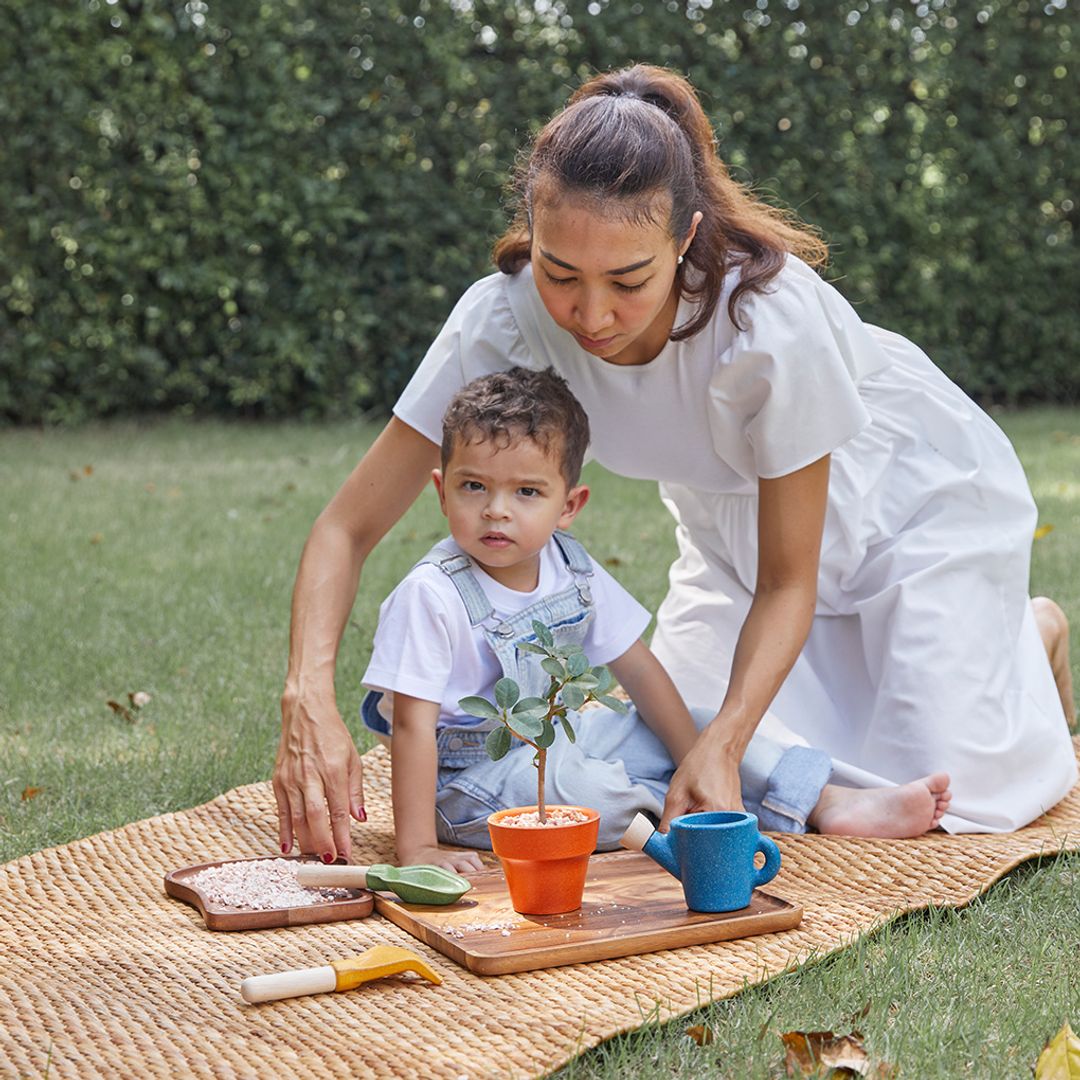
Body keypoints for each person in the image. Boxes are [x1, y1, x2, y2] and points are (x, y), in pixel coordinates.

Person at [273, 63, 1076, 863]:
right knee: (681, 727)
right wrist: (308, 695)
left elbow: (788, 580)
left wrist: (727, 742)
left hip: (906, 494)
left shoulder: (768, 322)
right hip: (733, 523)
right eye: (561, 272)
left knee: (963, 789)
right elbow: (346, 527)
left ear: (685, 239)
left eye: (627, 280)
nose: (590, 314)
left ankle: (1029, 635)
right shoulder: (503, 318)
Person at [357, 367, 952, 872]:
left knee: (691, 726)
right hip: (467, 782)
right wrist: (416, 848)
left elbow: (637, 668)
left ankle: (822, 800)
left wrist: (697, 753)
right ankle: (692, 822)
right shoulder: (432, 595)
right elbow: (411, 725)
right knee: (588, 793)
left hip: (559, 736)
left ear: (570, 506)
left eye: (526, 493)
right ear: (441, 491)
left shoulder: (573, 569)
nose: (496, 510)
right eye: (473, 486)